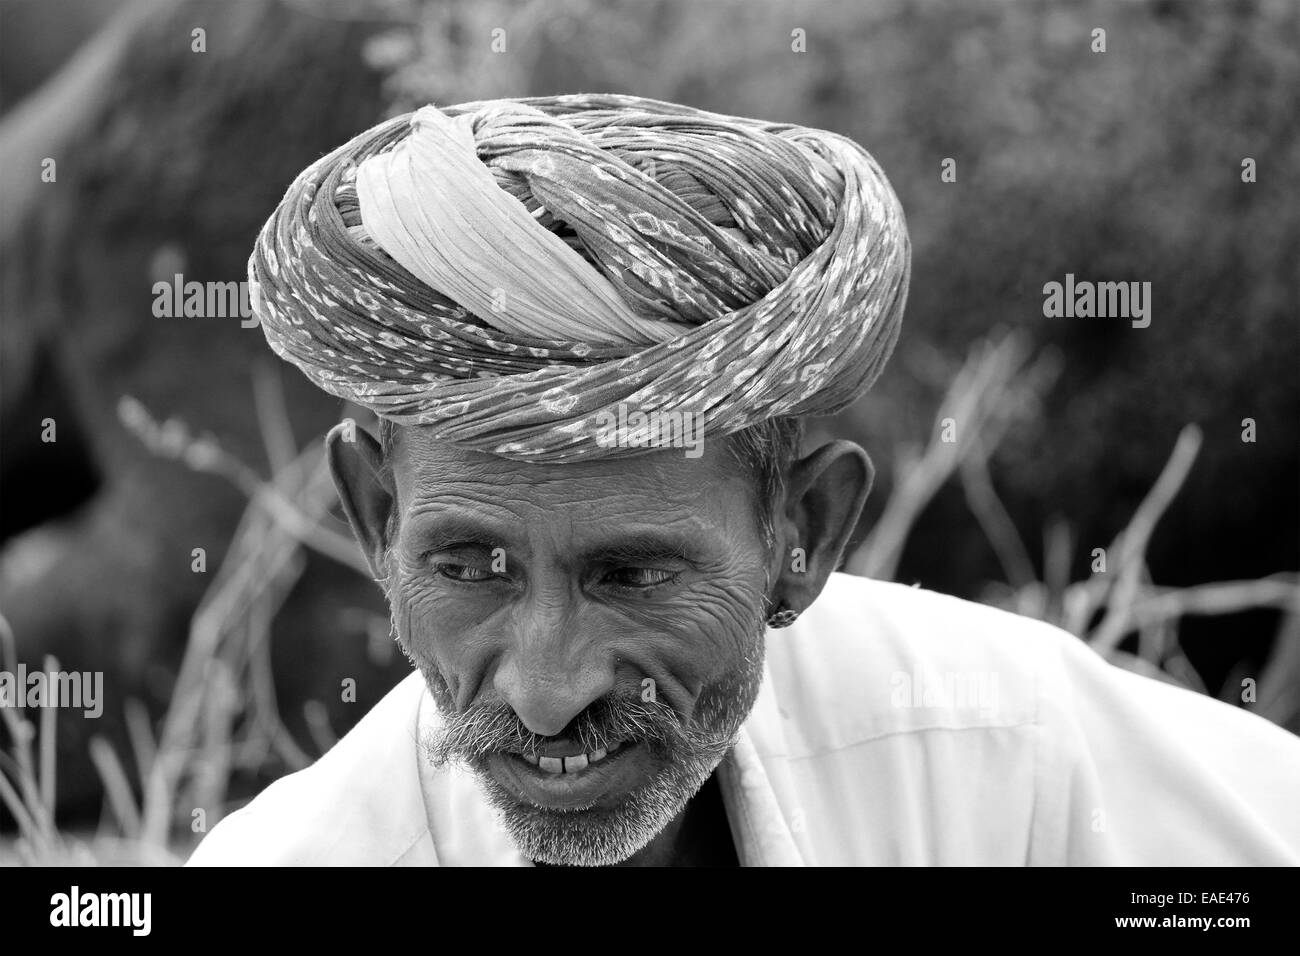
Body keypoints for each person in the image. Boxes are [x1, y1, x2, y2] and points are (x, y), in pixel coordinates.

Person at [188, 95, 1300, 866]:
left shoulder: (992, 748)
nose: (543, 690)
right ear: (377, 518)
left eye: (631, 572)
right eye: (468, 564)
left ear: (801, 533)